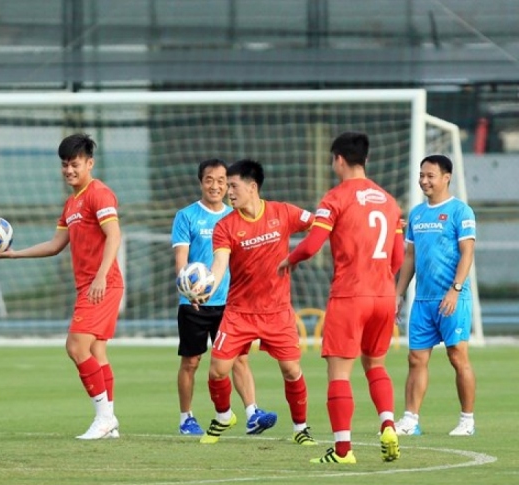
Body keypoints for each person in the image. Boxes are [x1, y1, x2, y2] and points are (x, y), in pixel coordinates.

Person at [278, 131, 404, 464]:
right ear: (367, 159)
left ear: (338, 160)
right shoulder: (389, 201)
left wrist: (287, 260)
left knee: (339, 374)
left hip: (351, 295)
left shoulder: (335, 198)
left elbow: (312, 244)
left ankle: (343, 450)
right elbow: (398, 259)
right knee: (375, 364)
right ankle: (388, 423)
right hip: (384, 295)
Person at [0, 133, 123, 440]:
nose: (69, 170)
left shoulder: (99, 193)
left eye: (74, 164)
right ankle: (110, 421)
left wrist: (101, 276)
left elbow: (114, 235)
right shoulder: (71, 203)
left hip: (102, 285)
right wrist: (12, 254)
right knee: (96, 352)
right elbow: (55, 244)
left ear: (89, 163)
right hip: (90, 286)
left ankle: (104, 418)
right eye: (64, 165)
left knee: (75, 347)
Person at [195, 159, 317, 447]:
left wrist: (298, 255)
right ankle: (224, 416)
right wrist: (206, 289)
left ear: (252, 187)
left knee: (291, 370)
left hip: (277, 312)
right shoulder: (225, 226)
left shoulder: (283, 212)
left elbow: (320, 225)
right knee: (217, 371)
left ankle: (301, 428)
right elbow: (219, 265)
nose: (228, 193)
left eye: (233, 186)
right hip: (239, 313)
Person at [171, 158, 277, 436]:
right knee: (191, 362)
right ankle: (186, 418)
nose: (216, 186)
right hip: (194, 304)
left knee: (239, 359)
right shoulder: (187, 216)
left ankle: (253, 414)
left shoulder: (235, 216)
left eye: (222, 181)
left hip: (231, 304)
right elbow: (181, 261)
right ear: (200, 182)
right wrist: (188, 290)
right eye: (210, 180)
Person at [393, 154, 477, 437]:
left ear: (446, 177)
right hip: (423, 302)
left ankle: (467, 421)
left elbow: (467, 253)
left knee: (457, 356)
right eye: (421, 175)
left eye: (430, 175)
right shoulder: (417, 214)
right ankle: (410, 419)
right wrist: (399, 294)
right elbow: (410, 256)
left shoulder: (460, 211)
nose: (424, 180)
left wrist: (455, 290)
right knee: (415, 359)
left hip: (453, 298)